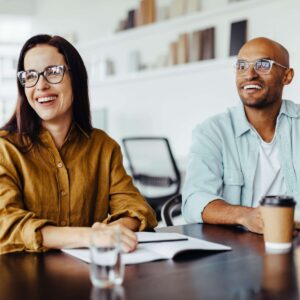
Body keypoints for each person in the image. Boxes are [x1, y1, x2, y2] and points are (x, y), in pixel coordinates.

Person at [0, 34, 157, 255]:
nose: (41, 86)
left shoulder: (104, 147)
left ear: (76, 78)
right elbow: (5, 223)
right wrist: (91, 236)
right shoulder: (5, 148)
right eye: (30, 76)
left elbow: (135, 209)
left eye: (53, 72)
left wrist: (113, 232)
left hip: (89, 276)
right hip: (21, 281)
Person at [182, 37, 296, 234]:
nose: (250, 74)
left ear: (287, 76)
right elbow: (194, 199)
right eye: (241, 65)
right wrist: (245, 216)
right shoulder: (211, 131)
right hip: (236, 247)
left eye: (263, 65)